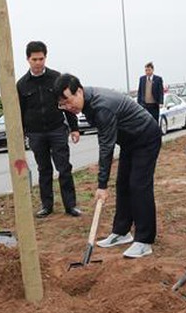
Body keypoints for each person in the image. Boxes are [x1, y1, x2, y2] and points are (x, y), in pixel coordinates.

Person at [54, 73, 162, 258]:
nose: (68, 107)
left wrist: (102, 185)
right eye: (62, 105)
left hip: (146, 137)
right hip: (130, 141)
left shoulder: (101, 106)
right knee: (123, 185)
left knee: (139, 186)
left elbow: (106, 147)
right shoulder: (87, 102)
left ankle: (144, 240)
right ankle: (121, 232)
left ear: (78, 91)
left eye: (69, 101)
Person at [16, 41, 81, 218]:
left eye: (41, 58)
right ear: (27, 59)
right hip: (36, 134)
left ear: (46, 57)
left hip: (57, 130)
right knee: (44, 170)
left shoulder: (56, 78)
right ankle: (47, 205)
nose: (38, 63)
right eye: (34, 59)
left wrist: (74, 128)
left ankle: (71, 205)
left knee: (64, 168)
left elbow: (67, 103)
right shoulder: (21, 85)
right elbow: (19, 113)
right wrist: (20, 136)